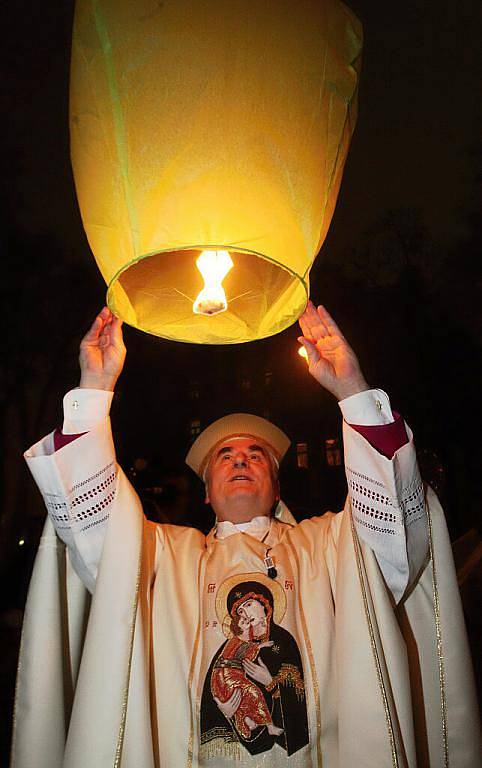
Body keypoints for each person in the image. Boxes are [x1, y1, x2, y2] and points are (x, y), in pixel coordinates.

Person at [11, 303, 480, 768]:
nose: (240, 460)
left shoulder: (329, 545)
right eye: (225, 456)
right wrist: (94, 388)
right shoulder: (163, 554)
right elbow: (93, 530)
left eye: (256, 455)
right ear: (207, 495)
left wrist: (353, 391)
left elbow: (396, 534)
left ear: (277, 487)